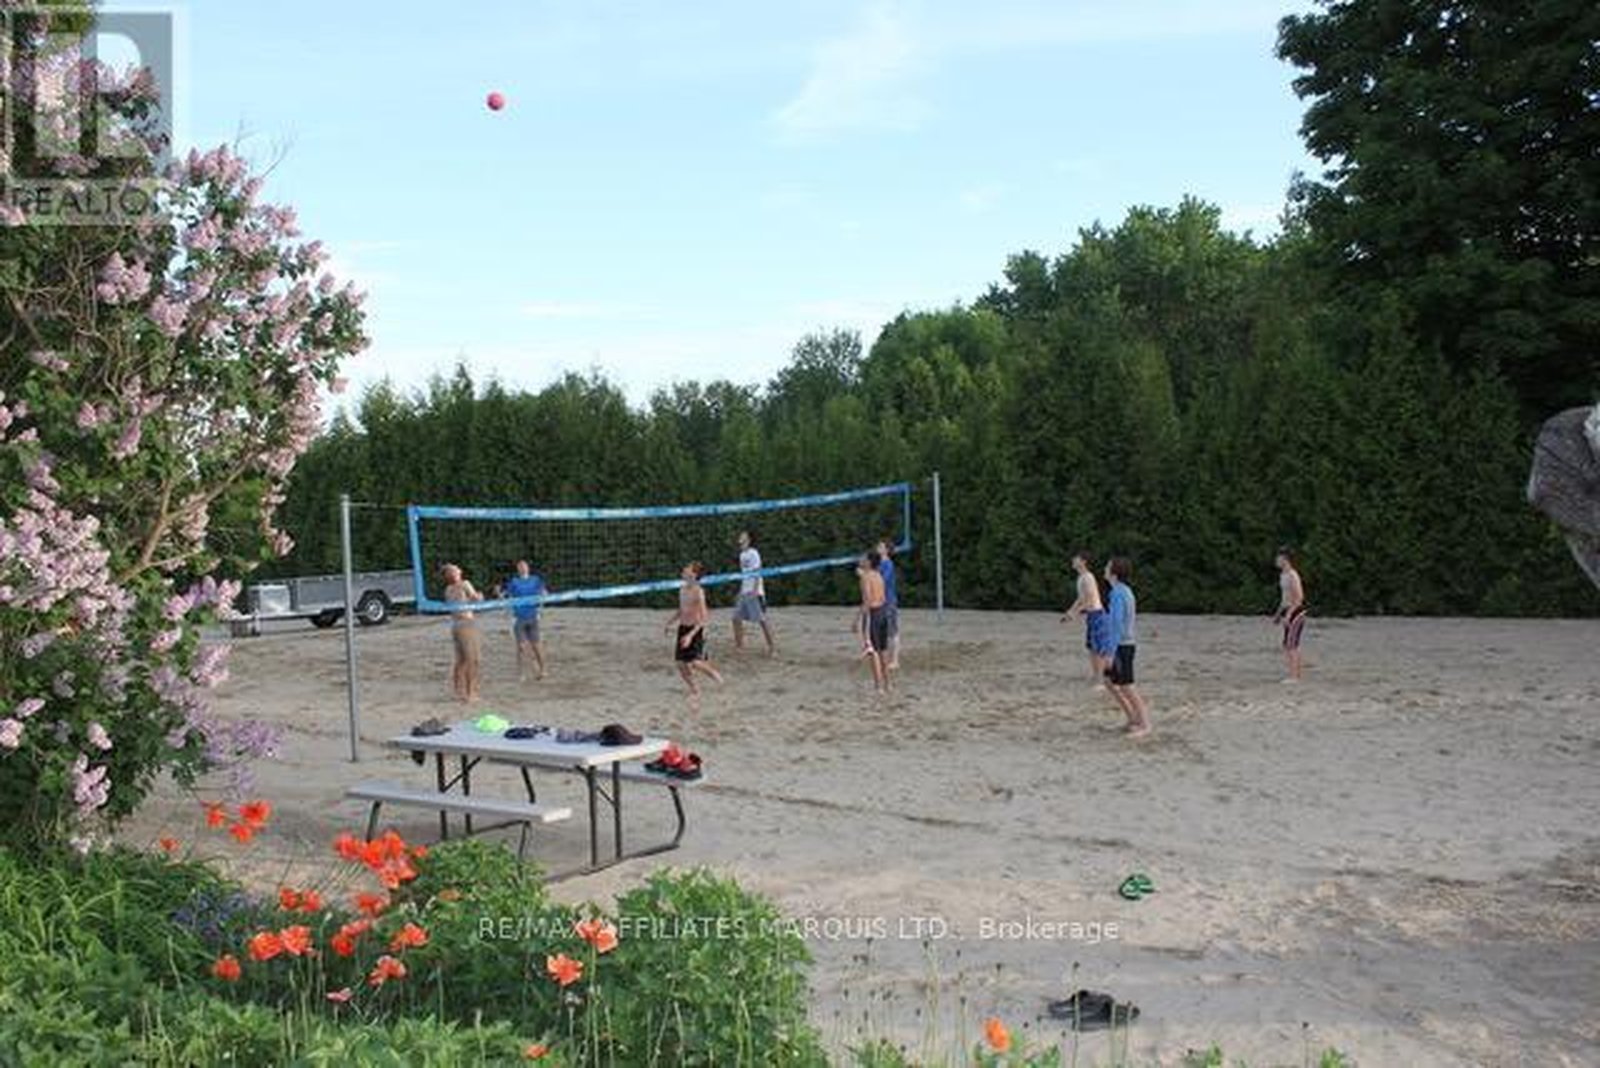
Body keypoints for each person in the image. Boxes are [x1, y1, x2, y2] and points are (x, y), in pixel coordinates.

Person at [664, 561, 723, 706]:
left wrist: (691, 636)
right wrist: (670, 622)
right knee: (680, 663)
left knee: (695, 662)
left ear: (694, 575)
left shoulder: (698, 591)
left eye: (687, 569)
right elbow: (681, 609)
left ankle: (715, 675)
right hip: (683, 628)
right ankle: (695, 689)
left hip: (695, 630)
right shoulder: (682, 589)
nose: (684, 570)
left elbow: (704, 618)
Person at [1103, 557, 1150, 737]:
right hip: (1121, 645)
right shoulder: (1123, 590)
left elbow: (1117, 625)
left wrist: (1110, 652)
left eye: (1107, 567)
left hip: (1122, 646)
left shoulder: (1118, 593)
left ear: (1114, 573)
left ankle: (1145, 724)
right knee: (1109, 682)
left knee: (1127, 686)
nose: (1105, 569)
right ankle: (1132, 718)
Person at [1061, 550, 1111, 684]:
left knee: (1098, 648)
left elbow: (1090, 599)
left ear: (1084, 562)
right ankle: (1098, 675)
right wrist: (1071, 611)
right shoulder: (1081, 577)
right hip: (1091, 615)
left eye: (1076, 559)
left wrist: (1074, 614)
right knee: (1092, 647)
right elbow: (1081, 598)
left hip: (1097, 615)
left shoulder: (1088, 577)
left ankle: (1100, 678)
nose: (1073, 560)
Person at [496, 559, 547, 682]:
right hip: (519, 618)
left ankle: (543, 670)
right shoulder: (514, 582)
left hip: (533, 616)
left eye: (524, 566)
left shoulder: (535, 580)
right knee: (521, 647)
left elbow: (544, 593)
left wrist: (540, 608)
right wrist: (498, 593)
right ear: (517, 569)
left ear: (528, 568)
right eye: (520, 566)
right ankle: (521, 673)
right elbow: (505, 597)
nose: (523, 568)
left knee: (537, 646)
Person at [441, 563, 483, 703]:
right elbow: (475, 599)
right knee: (473, 659)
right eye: (455, 569)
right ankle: (471, 694)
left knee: (461, 660)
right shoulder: (464, 584)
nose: (459, 569)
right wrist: (480, 596)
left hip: (456, 625)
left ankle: (459, 692)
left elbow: (460, 602)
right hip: (466, 624)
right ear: (453, 573)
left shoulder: (448, 589)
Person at [732, 530, 776, 656]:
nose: (740, 537)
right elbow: (745, 575)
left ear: (749, 539)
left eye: (743, 536)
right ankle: (739, 647)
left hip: (755, 591)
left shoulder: (754, 553)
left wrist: (756, 590)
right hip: (744, 591)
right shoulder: (742, 555)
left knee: (762, 621)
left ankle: (772, 648)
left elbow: (758, 571)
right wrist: (741, 591)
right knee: (735, 618)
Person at [854, 550, 891, 694]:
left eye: (863, 558)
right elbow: (883, 597)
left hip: (872, 615)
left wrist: (856, 619)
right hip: (883, 612)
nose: (860, 560)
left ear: (869, 562)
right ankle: (888, 685)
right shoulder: (878, 575)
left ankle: (878, 687)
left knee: (873, 651)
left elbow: (867, 601)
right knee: (883, 649)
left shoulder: (866, 578)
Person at [1273, 547, 1308, 681]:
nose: (1276, 560)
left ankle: (1294, 677)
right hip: (1289, 611)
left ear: (1285, 559)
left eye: (1278, 558)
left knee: (1291, 645)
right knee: (1289, 644)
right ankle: (1295, 674)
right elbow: (1285, 598)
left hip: (1296, 613)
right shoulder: (1283, 575)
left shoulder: (1293, 575)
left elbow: (1299, 597)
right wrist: (1278, 614)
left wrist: (1289, 614)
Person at [876, 538, 901, 670]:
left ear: (886, 550)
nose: (878, 547)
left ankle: (895, 661)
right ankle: (884, 658)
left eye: (880, 546)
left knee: (892, 632)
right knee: (882, 631)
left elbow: (882, 581)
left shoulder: (888, 564)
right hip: (880, 602)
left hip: (888, 602)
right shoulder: (879, 563)